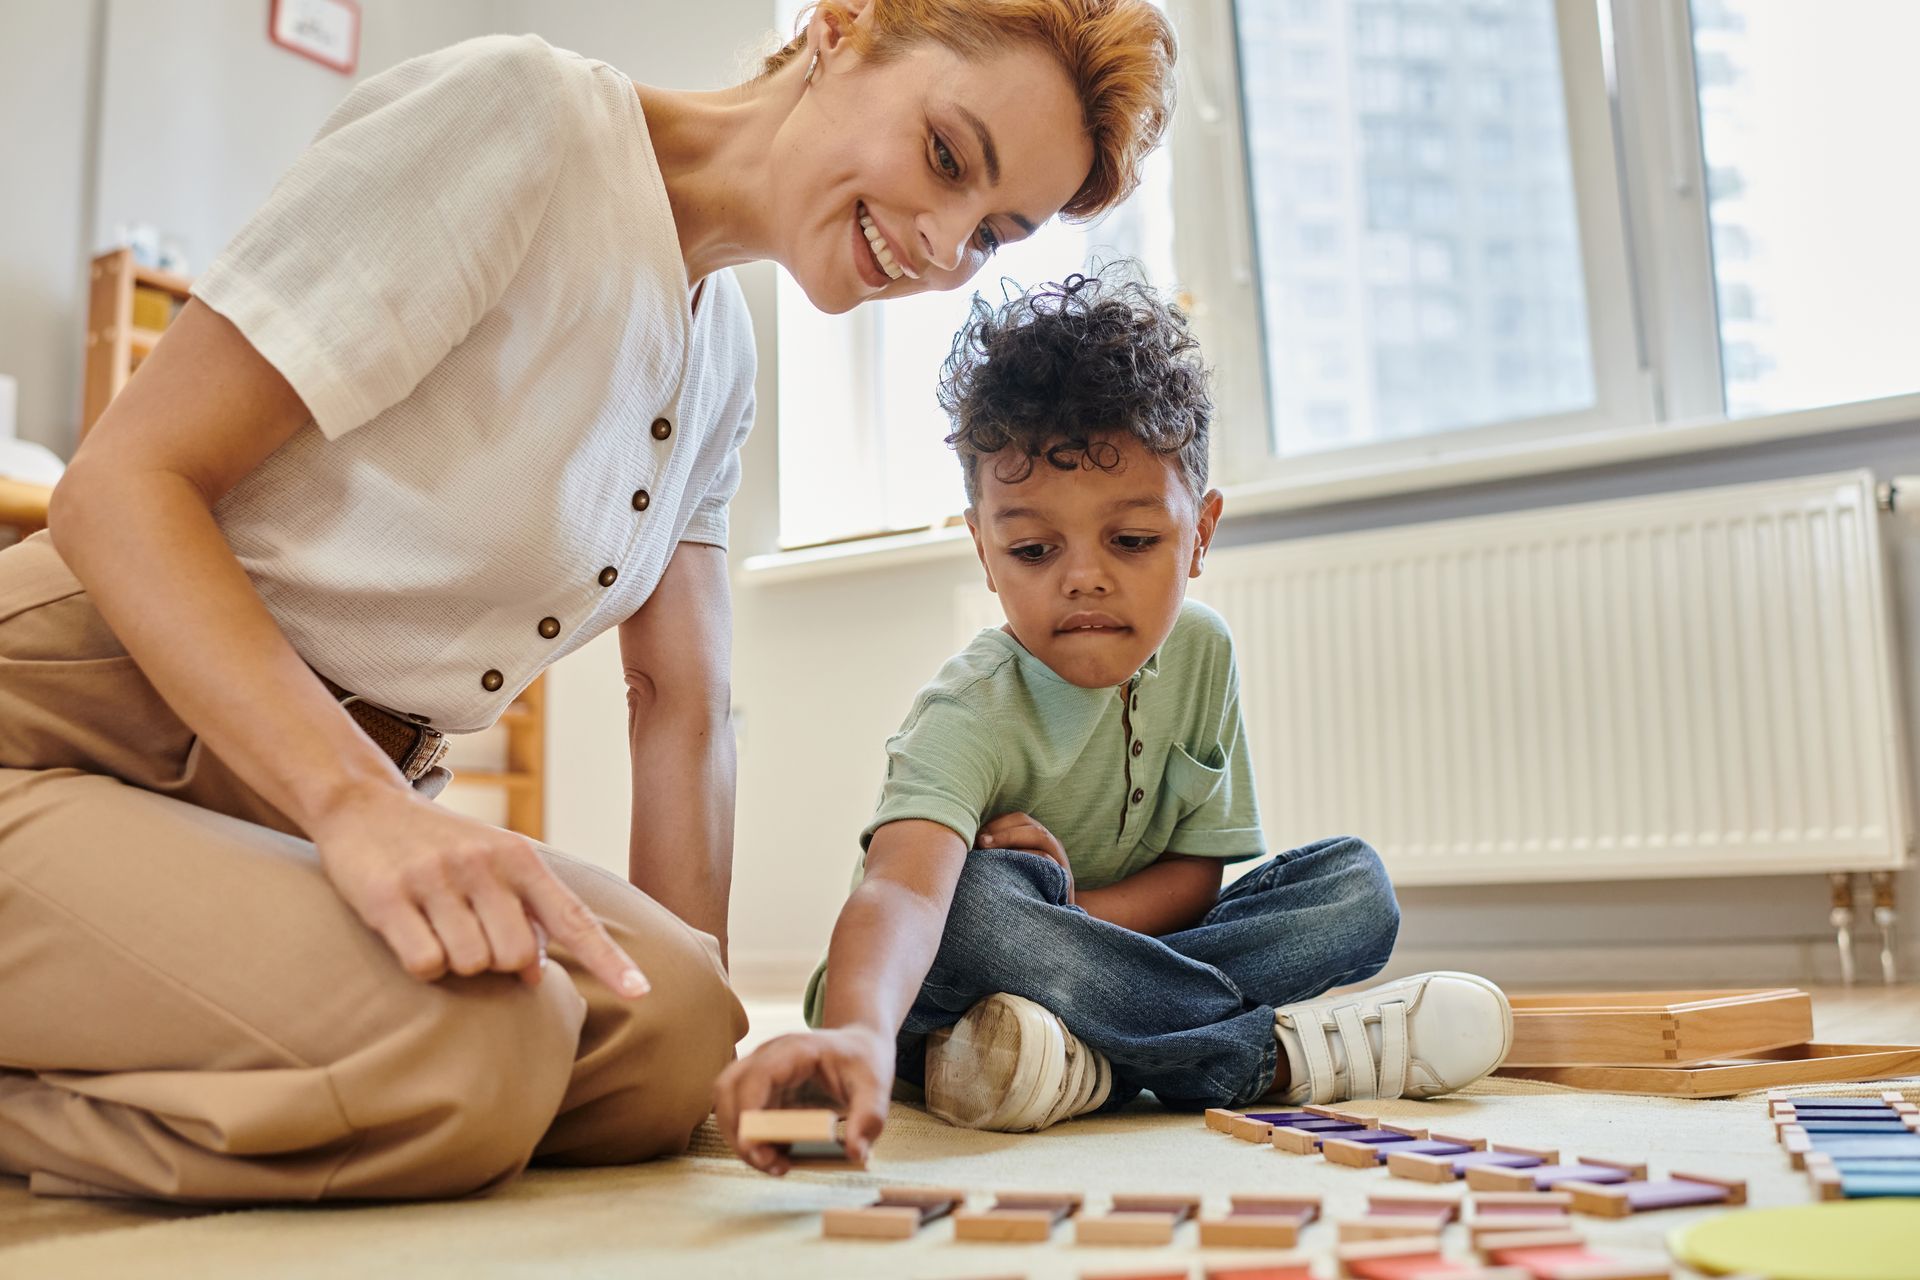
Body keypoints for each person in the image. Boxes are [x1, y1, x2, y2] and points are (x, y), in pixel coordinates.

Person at [0, 0, 1176, 1203]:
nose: (941, 246)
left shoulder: (722, 359)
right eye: (943, 157)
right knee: (473, 1048)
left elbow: (685, 700)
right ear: (840, 30)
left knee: (663, 1033)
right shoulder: (523, 118)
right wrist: (363, 810)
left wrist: (722, 1047)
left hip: (299, 792)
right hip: (70, 725)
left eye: (991, 233)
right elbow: (117, 488)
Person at [714, 270, 1513, 1174]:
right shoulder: (968, 710)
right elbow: (904, 893)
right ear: (983, 548)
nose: (1084, 578)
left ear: (1201, 534)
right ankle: (1263, 1058)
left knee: (1353, 888)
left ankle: (1085, 1058)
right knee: (980, 905)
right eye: (1031, 549)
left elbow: (1196, 874)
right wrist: (858, 1033)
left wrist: (1075, 921)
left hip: (1102, 960)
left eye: (1132, 542)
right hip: (937, 992)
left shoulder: (1202, 653)